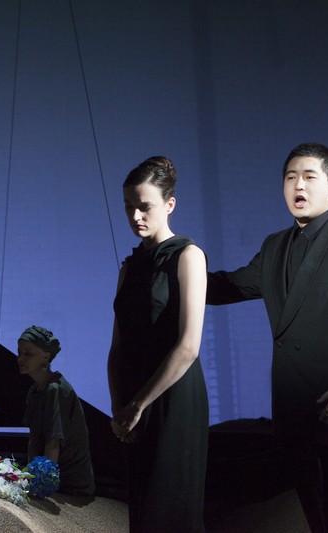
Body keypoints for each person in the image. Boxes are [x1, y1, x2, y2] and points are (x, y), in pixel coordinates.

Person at [206, 143, 328, 532]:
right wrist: (176, 267)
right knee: (317, 522)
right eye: (290, 177)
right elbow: (229, 286)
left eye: (309, 177)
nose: (298, 185)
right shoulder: (275, 245)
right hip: (295, 413)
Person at [108, 156, 208, 532]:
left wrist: (138, 404)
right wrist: (119, 405)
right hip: (132, 402)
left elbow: (189, 346)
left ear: (170, 204)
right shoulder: (128, 268)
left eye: (144, 206)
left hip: (174, 398)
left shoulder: (188, 256)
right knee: (143, 511)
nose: (135, 216)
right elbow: (116, 347)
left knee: (170, 507)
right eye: (128, 207)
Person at [18, 325, 95, 496]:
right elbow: (34, 438)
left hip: (71, 482)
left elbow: (53, 442)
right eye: (20, 353)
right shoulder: (34, 391)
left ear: (46, 356)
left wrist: (42, 483)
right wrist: (29, 475)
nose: (21, 359)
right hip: (51, 474)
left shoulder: (56, 389)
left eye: (28, 354)